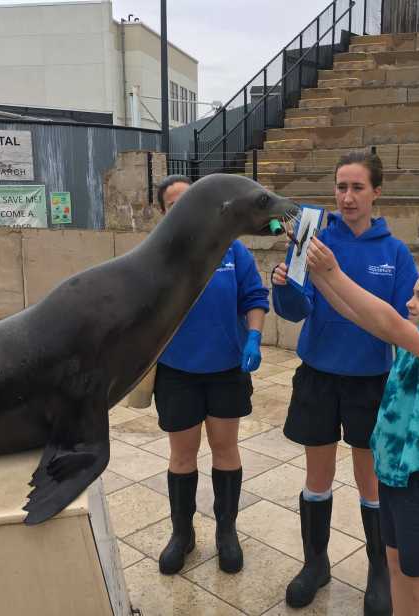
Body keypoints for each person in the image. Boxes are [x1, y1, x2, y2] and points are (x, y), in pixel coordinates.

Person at [305, 241, 419, 616]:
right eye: (412, 294)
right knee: (397, 571)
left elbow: (385, 320)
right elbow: (358, 314)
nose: (410, 302)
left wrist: (334, 271)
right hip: (393, 477)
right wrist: (315, 275)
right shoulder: (416, 340)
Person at [271, 152, 419, 614]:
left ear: (377, 192)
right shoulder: (314, 239)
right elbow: (294, 312)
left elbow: (402, 321)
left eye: (357, 188)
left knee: (369, 480)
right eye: (341, 187)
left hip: (370, 382)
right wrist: (283, 285)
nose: (347, 197)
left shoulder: (393, 253)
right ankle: (316, 563)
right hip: (318, 376)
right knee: (317, 475)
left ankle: (378, 571)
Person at [153, 175, 268, 576]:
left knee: (225, 450)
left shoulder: (233, 251)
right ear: (163, 213)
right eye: (174, 204)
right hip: (177, 372)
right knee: (182, 456)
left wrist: (253, 336)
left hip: (226, 371)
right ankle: (182, 535)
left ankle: (226, 532)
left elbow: (254, 297)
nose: (185, 209)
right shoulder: (159, 255)